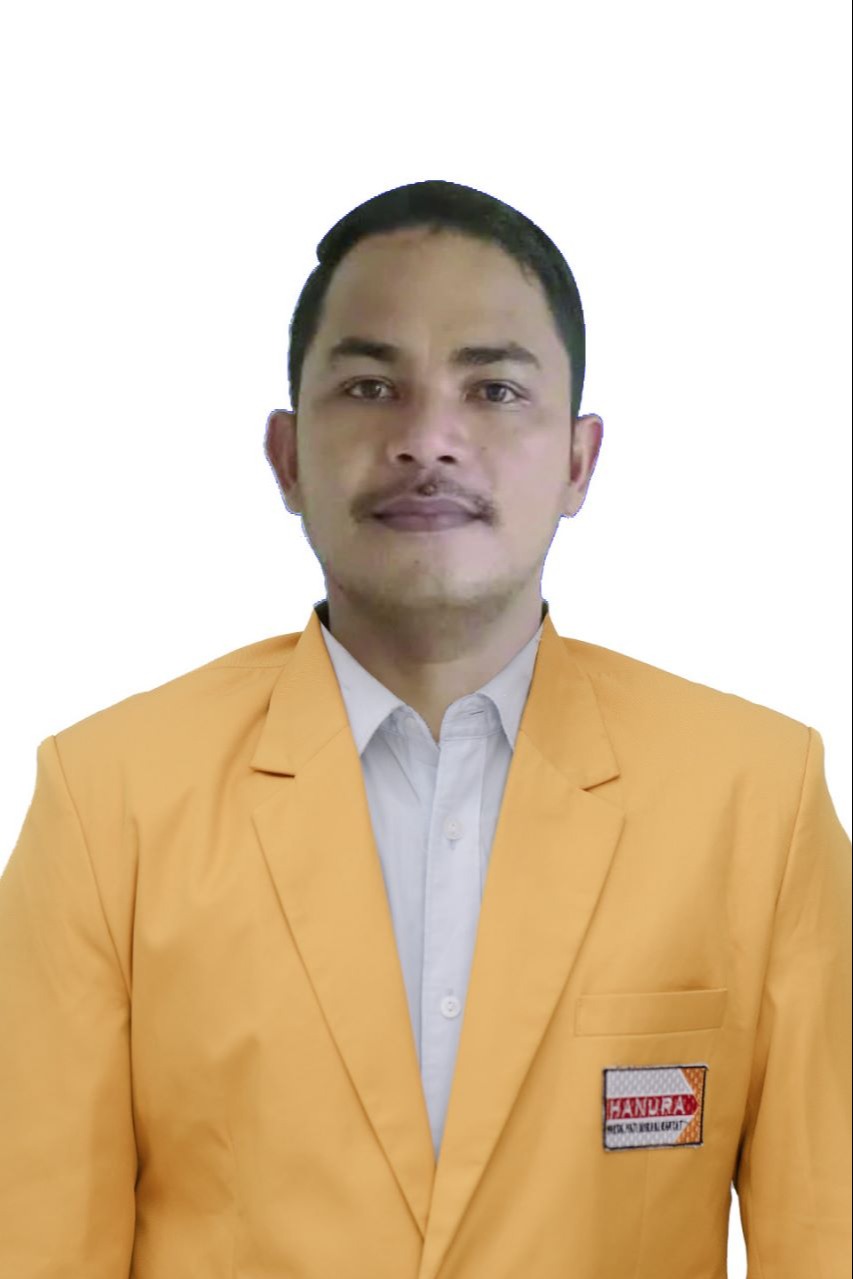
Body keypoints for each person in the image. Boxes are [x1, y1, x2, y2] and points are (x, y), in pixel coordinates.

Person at [1, 179, 850, 1279]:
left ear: (579, 461)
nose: (428, 440)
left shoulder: (754, 799)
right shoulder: (110, 800)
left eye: (493, 389)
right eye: (370, 386)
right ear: (287, 457)